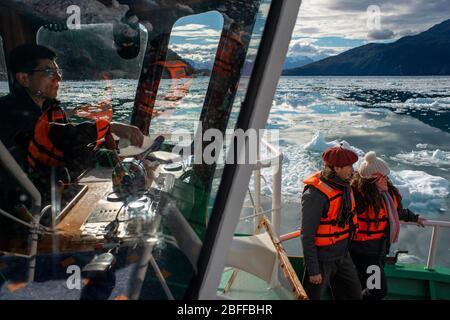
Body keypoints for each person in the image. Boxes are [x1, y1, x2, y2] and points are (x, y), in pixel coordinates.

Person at [0, 44, 143, 233]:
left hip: (53, 200)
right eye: (49, 71)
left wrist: (117, 160)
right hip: (22, 219)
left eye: (58, 71)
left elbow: (76, 153)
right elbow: (63, 139)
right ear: (24, 78)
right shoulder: (9, 113)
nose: (58, 78)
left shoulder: (49, 110)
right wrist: (110, 127)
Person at [350, 151, 426, 300]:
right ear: (369, 179)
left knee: (366, 285)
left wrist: (413, 217)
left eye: (385, 176)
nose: (385, 179)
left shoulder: (387, 193)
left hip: (379, 249)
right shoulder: (357, 195)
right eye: (380, 177)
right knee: (378, 290)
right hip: (363, 252)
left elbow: (394, 212)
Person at [301, 144, 362, 300]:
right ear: (336, 168)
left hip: (342, 255)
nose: (352, 170)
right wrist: (313, 270)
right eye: (349, 166)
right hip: (322, 260)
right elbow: (307, 235)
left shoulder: (343, 186)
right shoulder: (315, 195)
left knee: (353, 295)